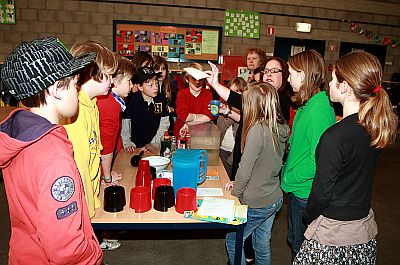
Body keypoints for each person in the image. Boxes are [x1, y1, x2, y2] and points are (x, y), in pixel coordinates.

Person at [0, 36, 103, 264]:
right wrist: (94, 255)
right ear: (57, 89)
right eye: (75, 85)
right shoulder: (55, 159)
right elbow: (66, 249)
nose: (78, 91)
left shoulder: (19, 134)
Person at [294, 52, 399, 264]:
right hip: (362, 228)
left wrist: (307, 216)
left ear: (344, 87)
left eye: (333, 79)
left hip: (334, 234)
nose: (329, 84)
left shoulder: (335, 137)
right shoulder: (374, 127)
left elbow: (321, 192)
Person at [224, 82, 290, 265]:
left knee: (233, 240)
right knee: (261, 242)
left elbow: (245, 169)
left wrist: (236, 195)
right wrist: (237, 183)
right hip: (274, 197)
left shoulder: (257, 130)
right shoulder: (279, 126)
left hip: (257, 202)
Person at [280, 50, 336, 260]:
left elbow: (318, 159)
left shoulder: (318, 110)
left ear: (303, 75)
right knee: (296, 241)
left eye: (291, 73)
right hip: (299, 188)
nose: (287, 78)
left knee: (301, 247)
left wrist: (289, 178)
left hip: (304, 190)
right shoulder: (308, 105)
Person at [97, 55, 134, 184]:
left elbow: (115, 137)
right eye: (129, 81)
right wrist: (106, 177)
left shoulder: (111, 101)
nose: (131, 86)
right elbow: (106, 145)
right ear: (115, 81)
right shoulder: (110, 104)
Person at [121, 66, 170, 151]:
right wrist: (127, 143)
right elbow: (126, 124)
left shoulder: (161, 99)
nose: (155, 87)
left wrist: (153, 144)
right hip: (135, 147)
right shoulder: (131, 101)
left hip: (155, 145)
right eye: (150, 85)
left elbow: (164, 124)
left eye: (156, 83)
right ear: (140, 87)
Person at [173, 62, 214, 137]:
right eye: (193, 78)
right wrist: (200, 117)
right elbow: (184, 116)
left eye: (200, 79)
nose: (197, 82)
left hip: (201, 134)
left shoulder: (208, 94)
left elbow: (210, 116)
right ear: (187, 79)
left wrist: (189, 123)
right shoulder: (181, 94)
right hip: (182, 133)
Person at [217, 77, 246, 179]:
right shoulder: (224, 108)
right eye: (231, 91)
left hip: (237, 154)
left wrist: (230, 113)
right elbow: (219, 128)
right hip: (222, 150)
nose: (234, 95)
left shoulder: (247, 112)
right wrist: (229, 112)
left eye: (238, 91)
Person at [262, 56, 293, 123]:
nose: (269, 74)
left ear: (284, 74)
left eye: (274, 71)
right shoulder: (262, 95)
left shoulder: (282, 100)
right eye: (266, 71)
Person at [154, 55, 178, 135]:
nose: (160, 72)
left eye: (163, 69)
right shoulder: (148, 86)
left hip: (168, 122)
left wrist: (172, 108)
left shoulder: (172, 85)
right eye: (157, 69)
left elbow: (176, 104)